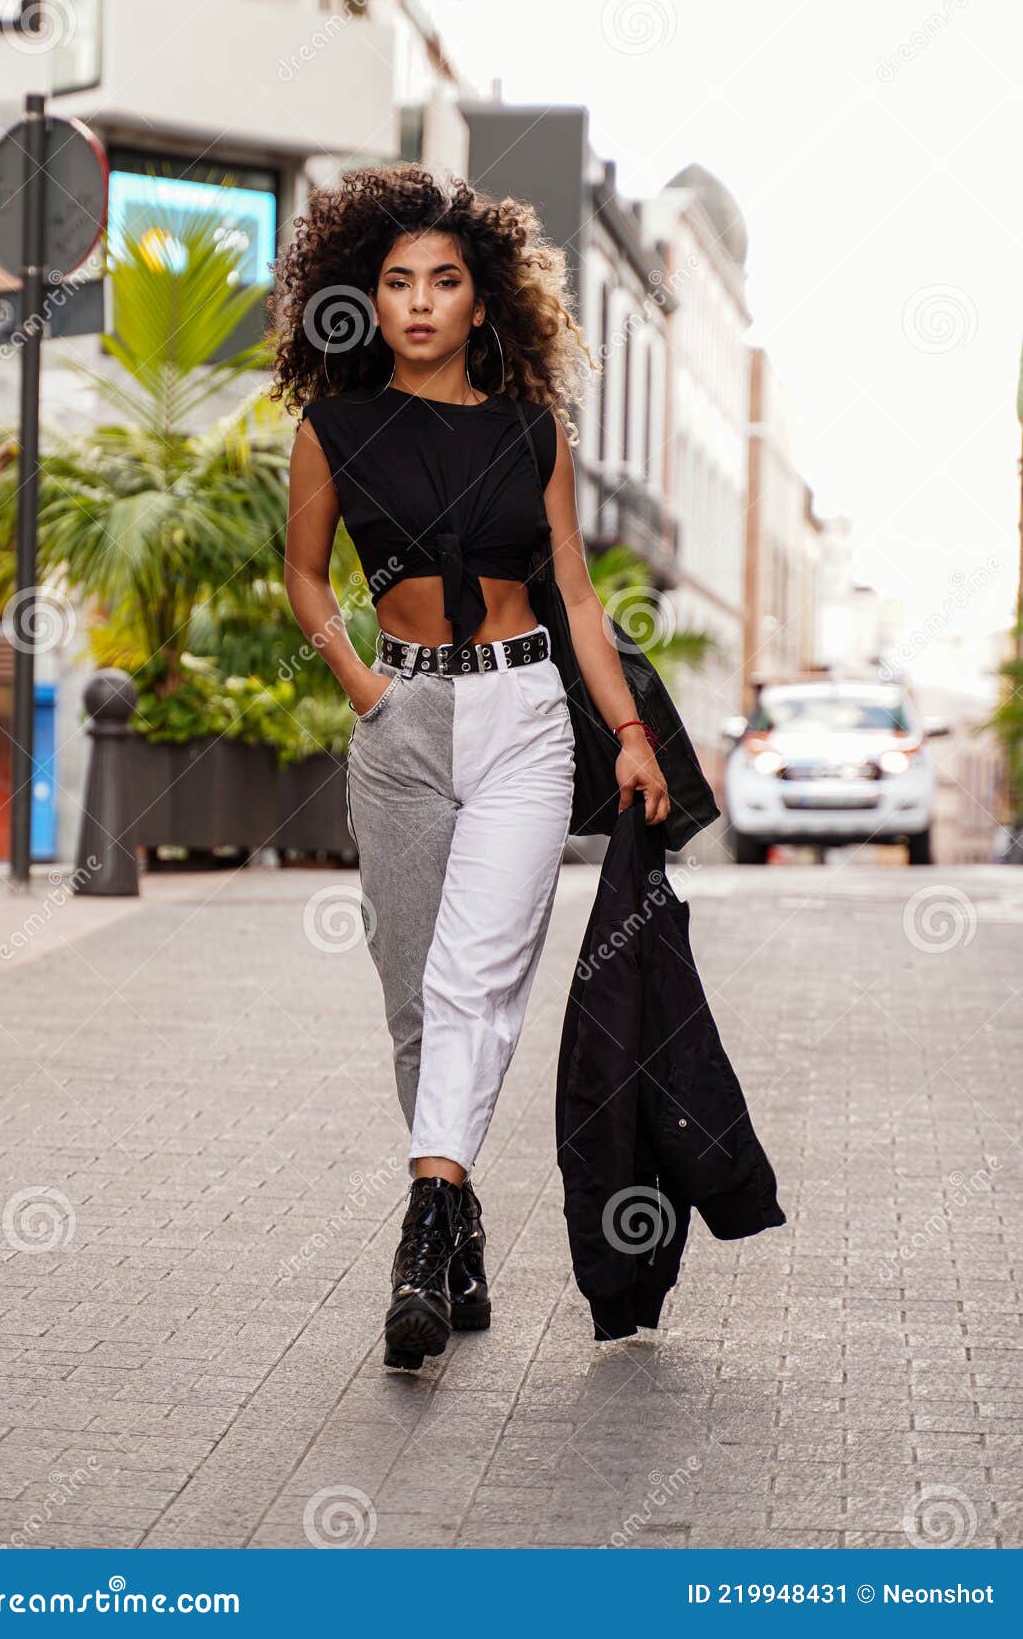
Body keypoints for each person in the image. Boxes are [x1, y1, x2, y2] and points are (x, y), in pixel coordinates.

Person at [272, 163, 669, 1370]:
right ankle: (460, 1213)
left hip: (522, 722)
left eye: (444, 280)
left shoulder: (530, 433)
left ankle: (421, 1229)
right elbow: (301, 576)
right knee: (414, 1003)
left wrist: (634, 732)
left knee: (471, 984)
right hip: (401, 729)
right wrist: (361, 683)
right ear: (365, 301)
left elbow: (577, 592)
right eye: (396, 283)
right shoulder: (330, 430)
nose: (421, 301)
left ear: (484, 301)